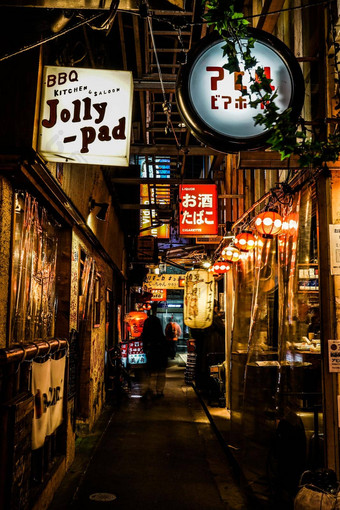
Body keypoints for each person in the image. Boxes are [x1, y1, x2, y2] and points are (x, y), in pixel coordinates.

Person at [141, 303, 168, 398]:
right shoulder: (158, 325)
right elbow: (162, 338)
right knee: (160, 372)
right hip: (159, 351)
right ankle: (159, 391)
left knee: (149, 372)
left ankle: (148, 389)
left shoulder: (147, 322)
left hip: (150, 350)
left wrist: (145, 348)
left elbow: (144, 337)